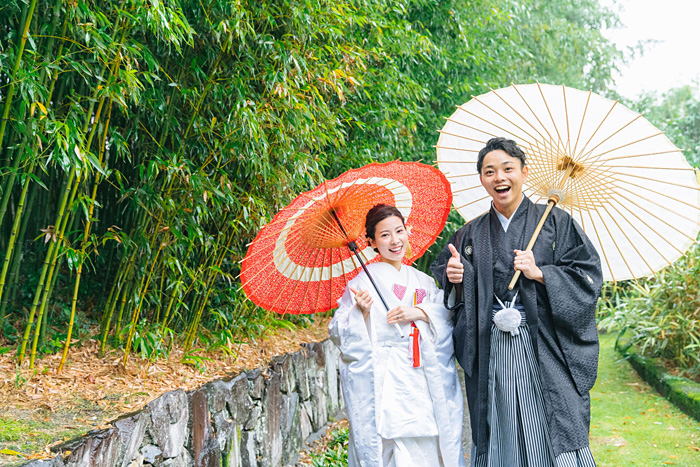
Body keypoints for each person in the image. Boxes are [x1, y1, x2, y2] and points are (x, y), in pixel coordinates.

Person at [431, 137, 603, 467]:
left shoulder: (555, 222)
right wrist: (455, 275)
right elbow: (444, 273)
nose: (500, 178)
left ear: (524, 172)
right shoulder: (469, 233)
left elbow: (587, 273)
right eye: (489, 171)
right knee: (500, 418)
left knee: (552, 418)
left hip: (544, 345)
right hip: (490, 343)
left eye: (508, 169)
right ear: (481, 179)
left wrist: (541, 274)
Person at [329, 203, 465, 467]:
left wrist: (420, 313)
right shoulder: (361, 284)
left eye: (399, 231)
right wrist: (362, 313)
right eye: (384, 235)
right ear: (371, 242)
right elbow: (339, 331)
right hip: (386, 380)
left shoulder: (423, 280)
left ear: (406, 232)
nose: (394, 241)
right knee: (392, 443)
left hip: (423, 378)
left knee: (428, 443)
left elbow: (446, 316)